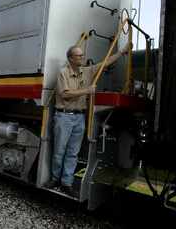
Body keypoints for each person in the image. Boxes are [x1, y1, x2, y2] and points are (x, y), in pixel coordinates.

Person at [45, 43, 130, 196]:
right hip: (64, 116)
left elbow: (106, 62)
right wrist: (87, 90)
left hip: (79, 118)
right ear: (71, 58)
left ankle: (66, 183)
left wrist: (122, 52)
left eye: (82, 55)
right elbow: (64, 94)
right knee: (59, 151)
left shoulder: (87, 71)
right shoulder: (63, 73)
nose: (82, 57)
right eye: (79, 56)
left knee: (73, 153)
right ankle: (55, 179)